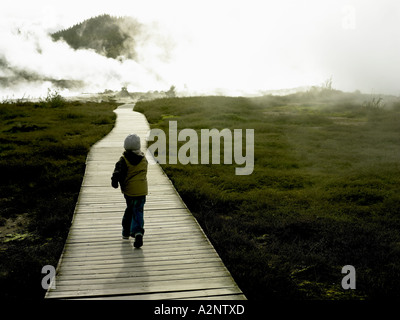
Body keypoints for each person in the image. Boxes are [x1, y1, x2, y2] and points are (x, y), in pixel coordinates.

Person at [111, 133, 148, 248]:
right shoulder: (143, 158)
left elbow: (118, 172)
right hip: (141, 190)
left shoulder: (123, 160)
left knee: (130, 209)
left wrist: (115, 181)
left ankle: (127, 232)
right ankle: (137, 232)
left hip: (129, 191)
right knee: (138, 211)